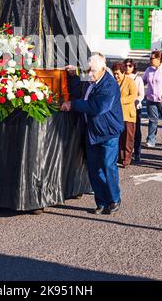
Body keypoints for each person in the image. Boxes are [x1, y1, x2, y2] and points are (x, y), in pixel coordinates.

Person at [61, 53, 124, 215]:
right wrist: (74, 76)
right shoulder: (89, 80)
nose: (89, 74)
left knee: (108, 166)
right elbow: (78, 91)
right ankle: (101, 202)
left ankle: (114, 200)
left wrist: (73, 104)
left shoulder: (109, 85)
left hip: (108, 132)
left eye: (93, 71)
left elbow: (97, 107)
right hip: (92, 132)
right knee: (94, 169)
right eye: (88, 70)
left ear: (103, 69)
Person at [143, 50, 162, 148]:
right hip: (151, 99)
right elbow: (143, 81)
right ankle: (151, 140)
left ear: (159, 59)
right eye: (150, 58)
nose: (150, 60)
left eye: (152, 58)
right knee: (152, 120)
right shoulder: (148, 70)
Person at [112, 62, 137, 168]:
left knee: (128, 138)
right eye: (114, 74)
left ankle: (127, 159)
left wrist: (119, 100)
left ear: (123, 72)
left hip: (128, 115)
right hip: (117, 115)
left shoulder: (130, 81)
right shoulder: (113, 82)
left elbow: (133, 96)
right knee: (119, 138)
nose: (116, 76)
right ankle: (120, 157)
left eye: (118, 74)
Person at [124, 59, 145, 163]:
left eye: (130, 66)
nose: (128, 68)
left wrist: (135, 101)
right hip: (123, 108)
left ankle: (137, 152)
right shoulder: (121, 77)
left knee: (135, 132)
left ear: (134, 67)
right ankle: (124, 154)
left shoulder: (138, 79)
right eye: (126, 65)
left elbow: (141, 95)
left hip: (135, 108)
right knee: (123, 132)